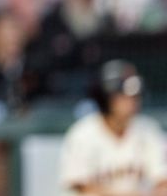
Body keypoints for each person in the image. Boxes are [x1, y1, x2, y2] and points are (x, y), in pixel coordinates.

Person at [60, 60, 167, 195]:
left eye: (135, 96)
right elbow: (83, 187)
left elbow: (163, 184)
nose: (132, 102)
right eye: (123, 96)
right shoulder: (82, 134)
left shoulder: (149, 130)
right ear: (106, 98)